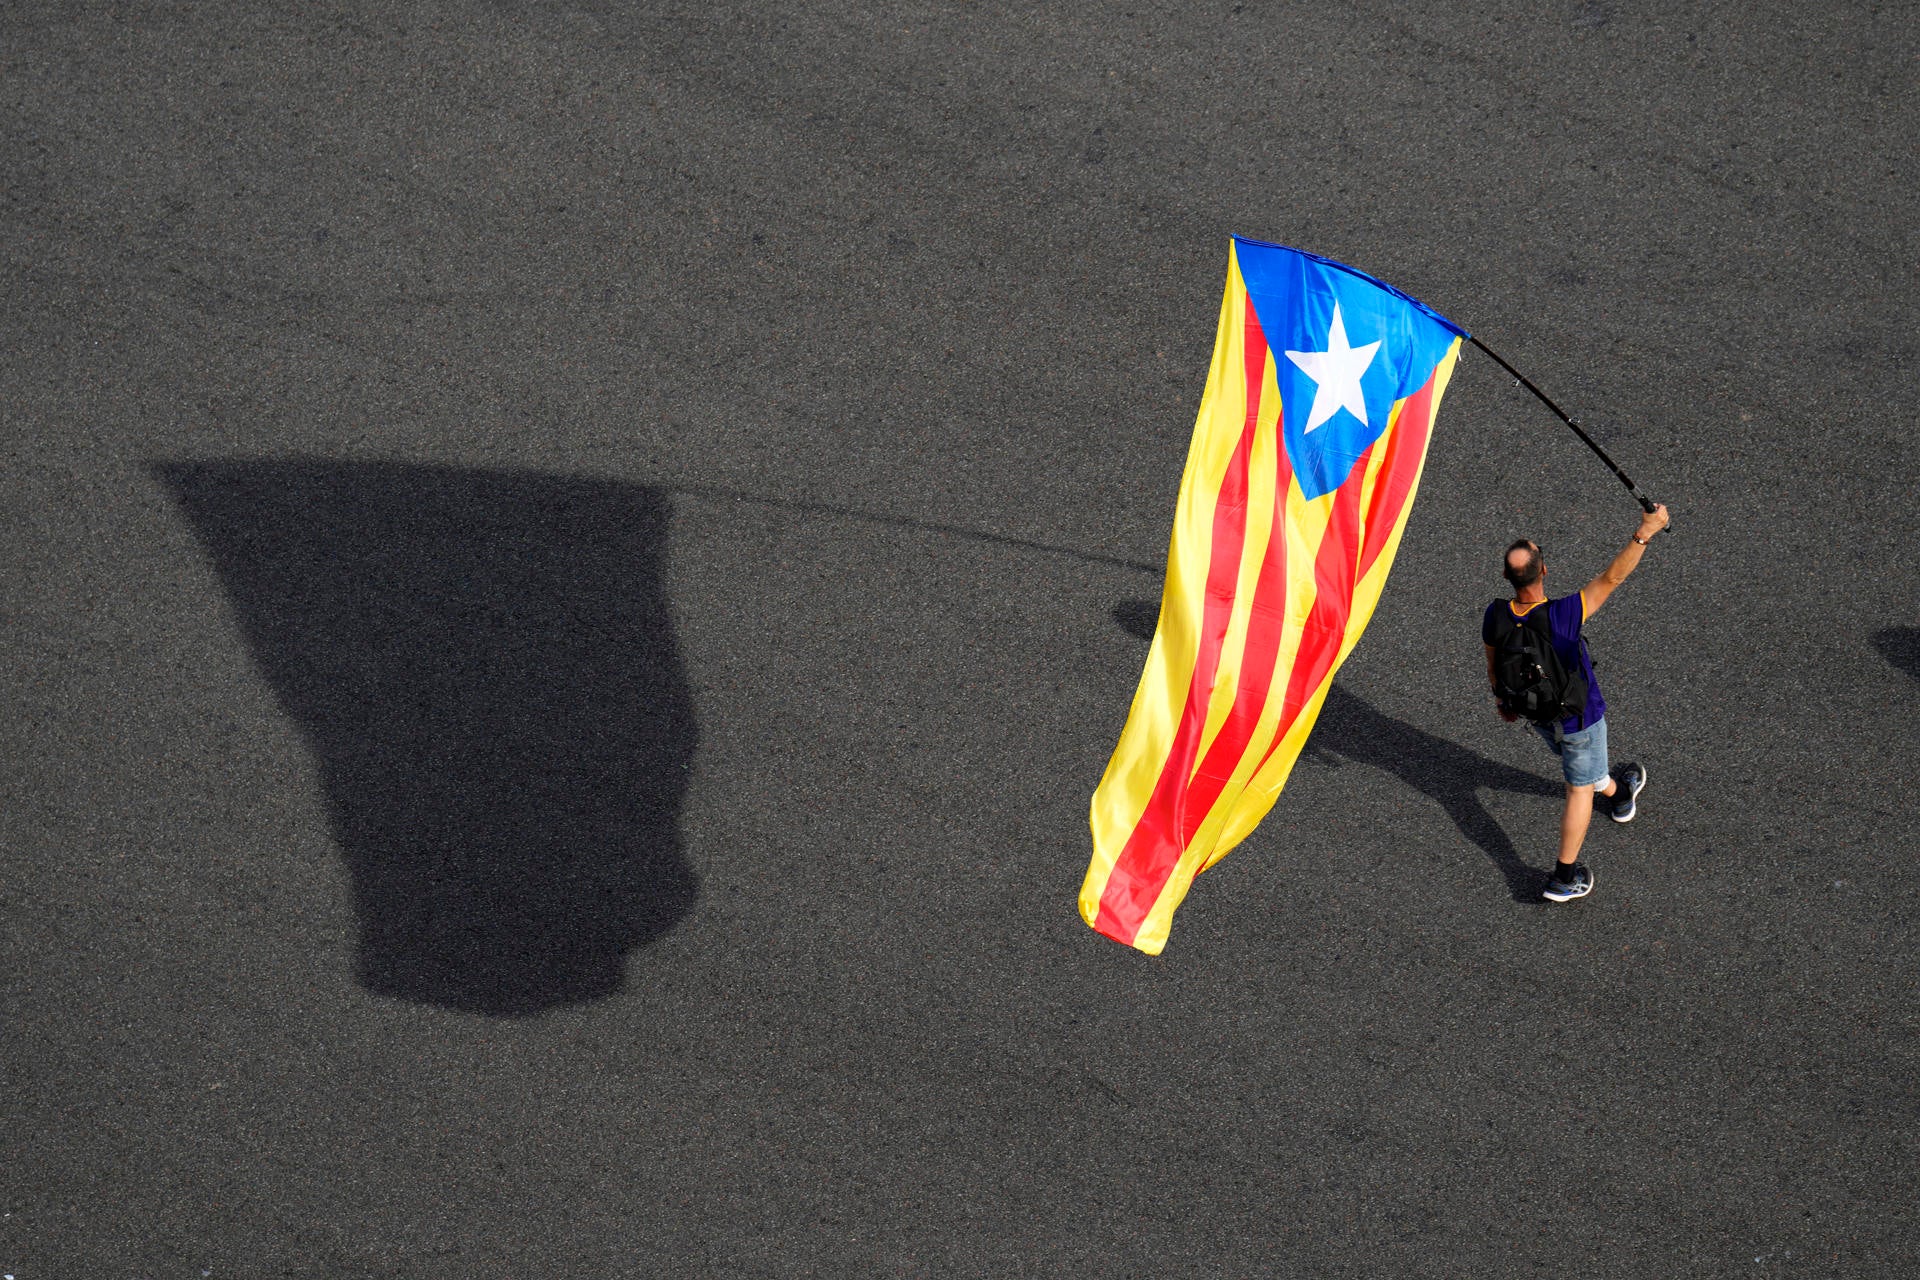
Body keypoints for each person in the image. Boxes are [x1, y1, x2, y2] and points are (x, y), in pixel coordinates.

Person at [1483, 503, 1670, 902]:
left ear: (1505, 577)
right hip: (1577, 718)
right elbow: (1613, 576)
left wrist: (1503, 702)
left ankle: (1619, 794)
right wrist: (1646, 532)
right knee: (1578, 788)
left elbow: (1493, 664)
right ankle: (1564, 876)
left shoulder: (1495, 615)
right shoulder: (1563, 615)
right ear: (1544, 571)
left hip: (1537, 715)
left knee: (1585, 767)